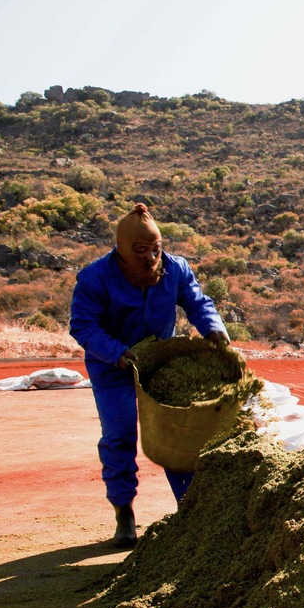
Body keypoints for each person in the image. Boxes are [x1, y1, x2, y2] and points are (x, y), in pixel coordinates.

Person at [69, 203, 229, 547]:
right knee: (119, 434)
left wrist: (214, 330)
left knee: (179, 434)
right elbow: (83, 325)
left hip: (160, 365)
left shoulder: (176, 268)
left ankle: (189, 508)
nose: (150, 258)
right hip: (113, 366)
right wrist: (117, 354)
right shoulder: (95, 278)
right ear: (123, 251)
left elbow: (198, 303)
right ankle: (124, 513)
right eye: (141, 251)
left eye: (155, 250)